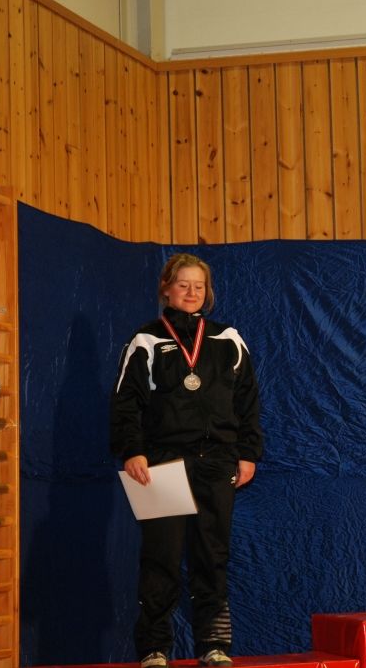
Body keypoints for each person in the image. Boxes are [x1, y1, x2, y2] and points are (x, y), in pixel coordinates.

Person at [110, 253, 264, 668]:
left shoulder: (227, 338)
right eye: (183, 285)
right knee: (161, 556)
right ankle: (154, 647)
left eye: (199, 286)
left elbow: (248, 401)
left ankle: (214, 644)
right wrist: (132, 450)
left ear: (208, 292)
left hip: (217, 460)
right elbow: (125, 402)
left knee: (212, 555)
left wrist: (247, 452)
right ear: (166, 288)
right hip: (162, 462)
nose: (192, 292)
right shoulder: (146, 340)